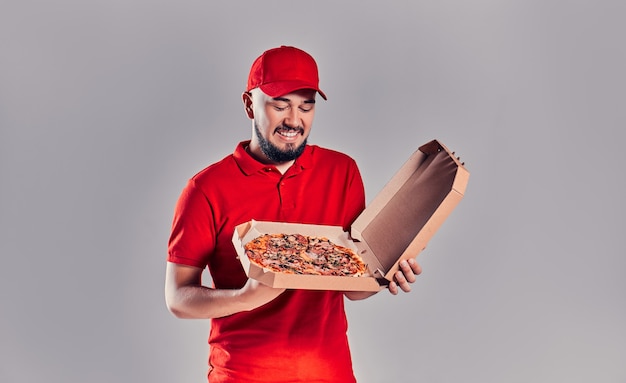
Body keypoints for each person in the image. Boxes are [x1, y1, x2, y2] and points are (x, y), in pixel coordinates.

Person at [165, 45, 422, 383]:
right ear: (248, 104)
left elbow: (353, 287)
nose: (293, 120)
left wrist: (387, 272)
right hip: (242, 375)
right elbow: (179, 298)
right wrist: (245, 298)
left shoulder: (341, 172)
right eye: (279, 104)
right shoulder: (206, 188)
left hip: (330, 373)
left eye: (306, 106)